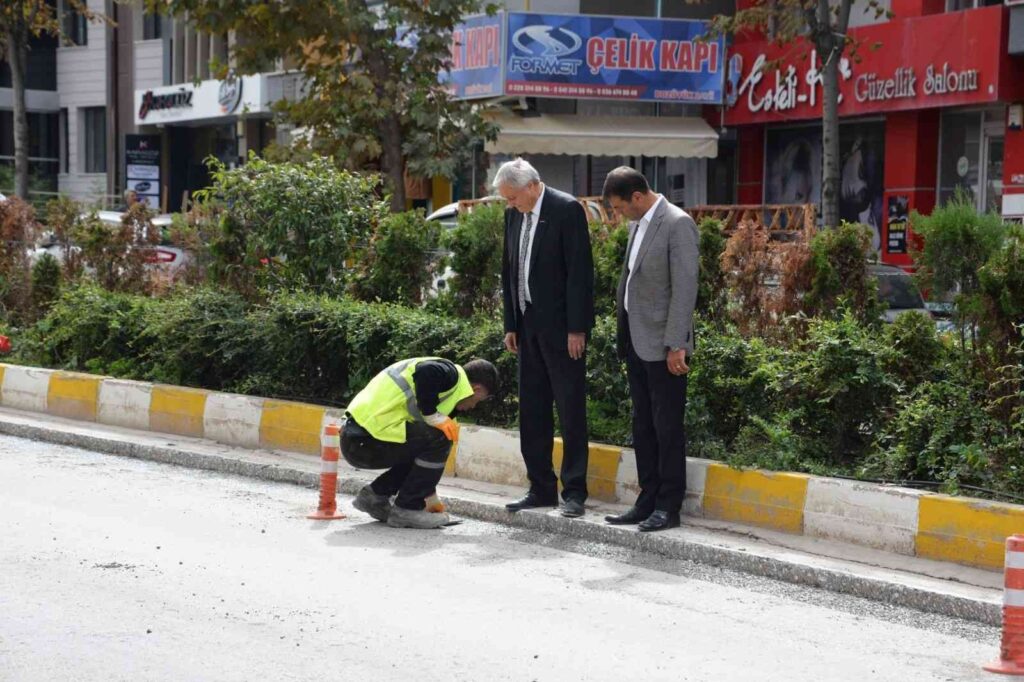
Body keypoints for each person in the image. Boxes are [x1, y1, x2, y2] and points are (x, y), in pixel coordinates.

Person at [496, 158, 594, 518]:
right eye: (507, 199)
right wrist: (511, 323)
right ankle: (540, 487)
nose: (510, 204)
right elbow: (508, 271)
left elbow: (580, 273)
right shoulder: (513, 215)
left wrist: (577, 328)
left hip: (562, 328)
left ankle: (574, 492)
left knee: (570, 410)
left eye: (512, 197)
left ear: (532, 186)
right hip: (527, 324)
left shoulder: (565, 209)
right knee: (532, 410)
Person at [602, 167, 698, 532]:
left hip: (664, 345)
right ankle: (647, 500)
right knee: (642, 424)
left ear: (637, 197)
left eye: (618, 207)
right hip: (635, 340)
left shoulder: (677, 224)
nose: (617, 214)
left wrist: (677, 344)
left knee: (667, 426)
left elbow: (685, 288)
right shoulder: (637, 224)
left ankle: (668, 506)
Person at [341, 357, 499, 529]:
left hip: (358, 439)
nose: (473, 406)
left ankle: (374, 497)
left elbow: (423, 458)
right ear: (476, 389)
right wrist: (432, 416)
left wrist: (429, 498)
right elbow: (426, 371)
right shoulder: (451, 374)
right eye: (479, 400)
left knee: (432, 437)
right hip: (365, 439)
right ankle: (407, 510)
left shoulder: (446, 394)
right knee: (441, 435)